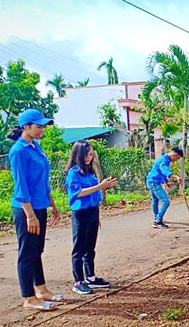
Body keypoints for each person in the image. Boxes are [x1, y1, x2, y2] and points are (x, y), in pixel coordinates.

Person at [8, 108, 62, 311]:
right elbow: (21, 186)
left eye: (43, 127)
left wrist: (52, 205)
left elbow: (43, 181)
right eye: (38, 126)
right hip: (25, 210)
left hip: (39, 206)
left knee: (37, 250)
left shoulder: (36, 147)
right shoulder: (19, 151)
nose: (42, 130)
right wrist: (30, 215)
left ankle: (41, 289)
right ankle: (29, 297)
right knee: (27, 252)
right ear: (26, 127)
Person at [64, 140, 117, 294]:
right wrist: (101, 186)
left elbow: (93, 193)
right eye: (86, 155)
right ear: (78, 155)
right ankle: (78, 281)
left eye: (91, 155)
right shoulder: (73, 173)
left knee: (90, 248)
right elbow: (78, 193)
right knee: (79, 249)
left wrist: (97, 217)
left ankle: (91, 277)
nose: (89, 157)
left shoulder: (89, 171)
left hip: (93, 211)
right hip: (81, 214)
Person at [146, 147, 183, 228]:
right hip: (154, 182)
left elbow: (161, 173)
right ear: (174, 155)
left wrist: (166, 181)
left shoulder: (165, 159)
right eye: (177, 158)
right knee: (166, 201)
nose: (176, 160)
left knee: (155, 200)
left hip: (152, 181)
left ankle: (157, 218)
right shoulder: (164, 160)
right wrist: (176, 176)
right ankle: (158, 221)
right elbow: (164, 170)